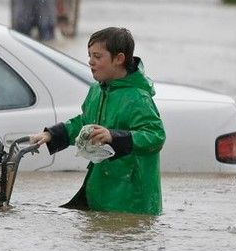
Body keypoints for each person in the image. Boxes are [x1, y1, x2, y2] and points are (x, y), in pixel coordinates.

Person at [29, 27, 166, 215]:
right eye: (89, 56)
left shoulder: (138, 98)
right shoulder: (96, 91)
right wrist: (52, 134)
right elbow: (84, 123)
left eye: (97, 57)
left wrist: (114, 136)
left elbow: (156, 136)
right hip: (101, 191)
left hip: (131, 200)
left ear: (119, 59)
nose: (90, 62)